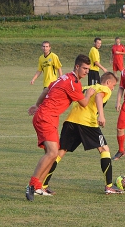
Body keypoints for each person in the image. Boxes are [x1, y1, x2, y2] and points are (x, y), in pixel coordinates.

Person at [40, 72, 124, 195]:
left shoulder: (86, 87)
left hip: (70, 121)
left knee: (59, 153)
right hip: (87, 123)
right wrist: (101, 115)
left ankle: (42, 185)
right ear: (108, 82)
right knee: (104, 149)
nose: (113, 88)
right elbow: (99, 97)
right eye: (113, 85)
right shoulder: (104, 88)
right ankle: (109, 186)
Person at [26, 54, 95, 201]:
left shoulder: (63, 78)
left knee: (52, 153)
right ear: (77, 66)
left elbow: (45, 92)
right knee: (52, 153)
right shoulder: (73, 83)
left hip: (46, 116)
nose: (87, 72)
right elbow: (83, 103)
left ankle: (39, 186)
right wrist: (88, 94)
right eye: (84, 68)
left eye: (88, 69)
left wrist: (37, 105)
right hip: (46, 117)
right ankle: (32, 185)